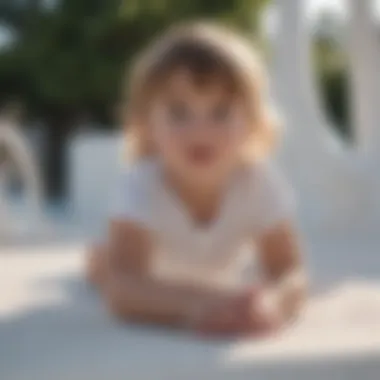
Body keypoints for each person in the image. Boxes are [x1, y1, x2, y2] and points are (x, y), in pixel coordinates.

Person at [87, 22, 307, 337]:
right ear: (146, 123)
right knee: (104, 267)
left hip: (214, 273)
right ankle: (95, 258)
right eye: (179, 112)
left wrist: (273, 303)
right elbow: (123, 290)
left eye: (220, 112)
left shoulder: (259, 180)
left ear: (253, 122)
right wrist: (205, 304)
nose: (201, 131)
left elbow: (289, 271)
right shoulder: (140, 182)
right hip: (161, 275)